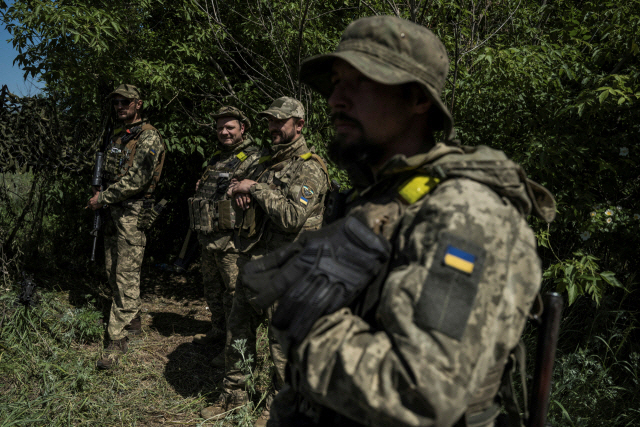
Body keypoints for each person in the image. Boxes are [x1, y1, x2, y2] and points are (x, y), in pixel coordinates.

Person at [240, 16, 557, 427]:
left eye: (360, 82)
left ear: (419, 100)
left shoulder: (464, 214)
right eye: (336, 82)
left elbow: (423, 392)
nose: (336, 99)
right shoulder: (380, 195)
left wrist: (314, 321)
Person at [199, 97, 330, 420]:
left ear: (299, 125)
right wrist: (239, 190)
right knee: (237, 332)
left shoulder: (309, 168)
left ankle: (276, 411)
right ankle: (233, 397)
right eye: (269, 121)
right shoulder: (267, 162)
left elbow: (291, 216)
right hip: (253, 261)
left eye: (279, 122)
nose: (272, 127)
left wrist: (255, 189)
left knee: (281, 348)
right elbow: (238, 184)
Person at [87, 84, 166, 370]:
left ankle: (116, 339)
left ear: (138, 104)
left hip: (131, 212)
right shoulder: (118, 135)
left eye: (125, 102)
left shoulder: (148, 136)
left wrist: (102, 198)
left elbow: (138, 180)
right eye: (116, 103)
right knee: (112, 269)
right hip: (112, 211)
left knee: (125, 274)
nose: (120, 107)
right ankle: (132, 321)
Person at [188, 106, 267, 361]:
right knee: (213, 290)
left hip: (233, 240)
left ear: (242, 128)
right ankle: (218, 331)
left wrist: (245, 189)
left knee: (235, 296)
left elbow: (262, 186)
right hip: (209, 237)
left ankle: (234, 350)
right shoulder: (217, 157)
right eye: (221, 127)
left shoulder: (254, 157)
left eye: (230, 127)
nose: (224, 132)